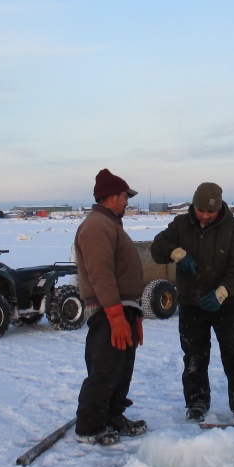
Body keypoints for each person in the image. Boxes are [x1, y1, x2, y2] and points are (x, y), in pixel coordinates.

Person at [151, 182, 234, 423]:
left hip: (227, 304)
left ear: (220, 207)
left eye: (211, 211)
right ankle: (197, 402)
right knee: (194, 357)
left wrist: (222, 292)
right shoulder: (180, 225)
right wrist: (176, 253)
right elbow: (158, 247)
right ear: (194, 205)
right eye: (201, 211)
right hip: (191, 303)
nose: (206, 216)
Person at [73, 168, 148, 445]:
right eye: (125, 196)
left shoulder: (110, 224)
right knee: (104, 369)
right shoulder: (96, 226)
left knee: (121, 367)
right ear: (113, 196)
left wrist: (133, 312)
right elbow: (100, 273)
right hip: (108, 310)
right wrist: (115, 314)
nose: (127, 201)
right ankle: (89, 427)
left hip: (121, 307)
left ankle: (112, 415)